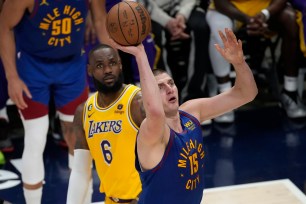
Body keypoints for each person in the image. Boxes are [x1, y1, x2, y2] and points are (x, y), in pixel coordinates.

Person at [111, 28, 257, 203]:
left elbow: (247, 93)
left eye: (171, 83)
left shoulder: (191, 112)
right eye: (160, 87)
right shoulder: (152, 132)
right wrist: (141, 55)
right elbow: (156, 113)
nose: (169, 89)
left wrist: (239, 63)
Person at [0, 0, 110, 203]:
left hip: (73, 65)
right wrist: (12, 76)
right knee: (36, 137)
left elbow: (101, 20)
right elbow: (4, 26)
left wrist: (112, 64)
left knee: (78, 139)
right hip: (32, 66)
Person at [66, 44, 145, 204]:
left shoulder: (137, 102)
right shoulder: (84, 112)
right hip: (111, 200)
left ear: (120, 65)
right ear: (90, 70)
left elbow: (166, 153)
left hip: (144, 199)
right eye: (100, 65)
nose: (108, 70)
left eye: (112, 63)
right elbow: (81, 171)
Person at [206, 0, 306, 121]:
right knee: (220, 29)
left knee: (290, 19)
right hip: (229, 8)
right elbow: (219, 3)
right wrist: (248, 19)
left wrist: (264, 14)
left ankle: (290, 93)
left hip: (264, 8)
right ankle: (224, 95)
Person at [145, 0, 211, 102]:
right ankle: (167, 98)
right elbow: (144, 4)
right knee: (154, 35)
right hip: (151, 13)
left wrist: (182, 16)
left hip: (186, 8)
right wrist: (167, 22)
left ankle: (194, 96)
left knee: (200, 28)